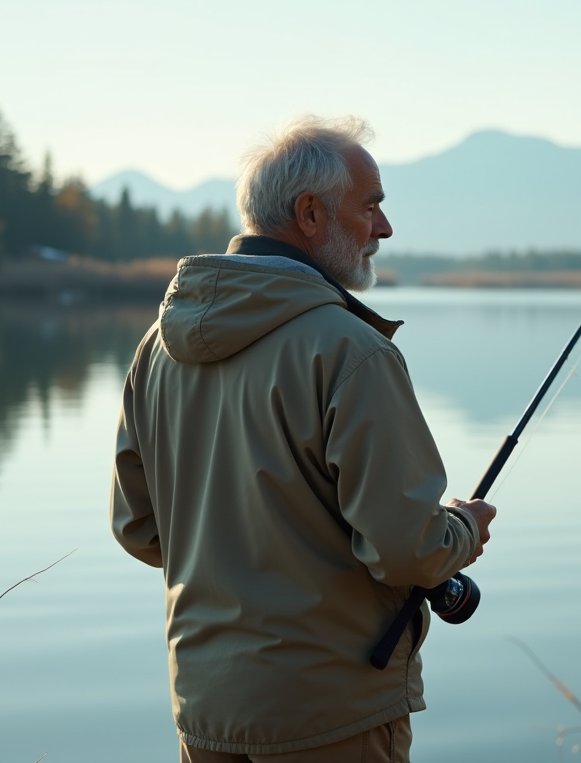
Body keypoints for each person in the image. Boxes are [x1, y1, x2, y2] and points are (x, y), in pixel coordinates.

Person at [110, 115, 496, 763]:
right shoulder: (351, 349)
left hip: (205, 711)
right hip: (330, 717)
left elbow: (139, 528)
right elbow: (406, 549)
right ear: (310, 214)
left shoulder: (156, 350)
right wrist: (460, 531)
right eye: (370, 206)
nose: (384, 228)